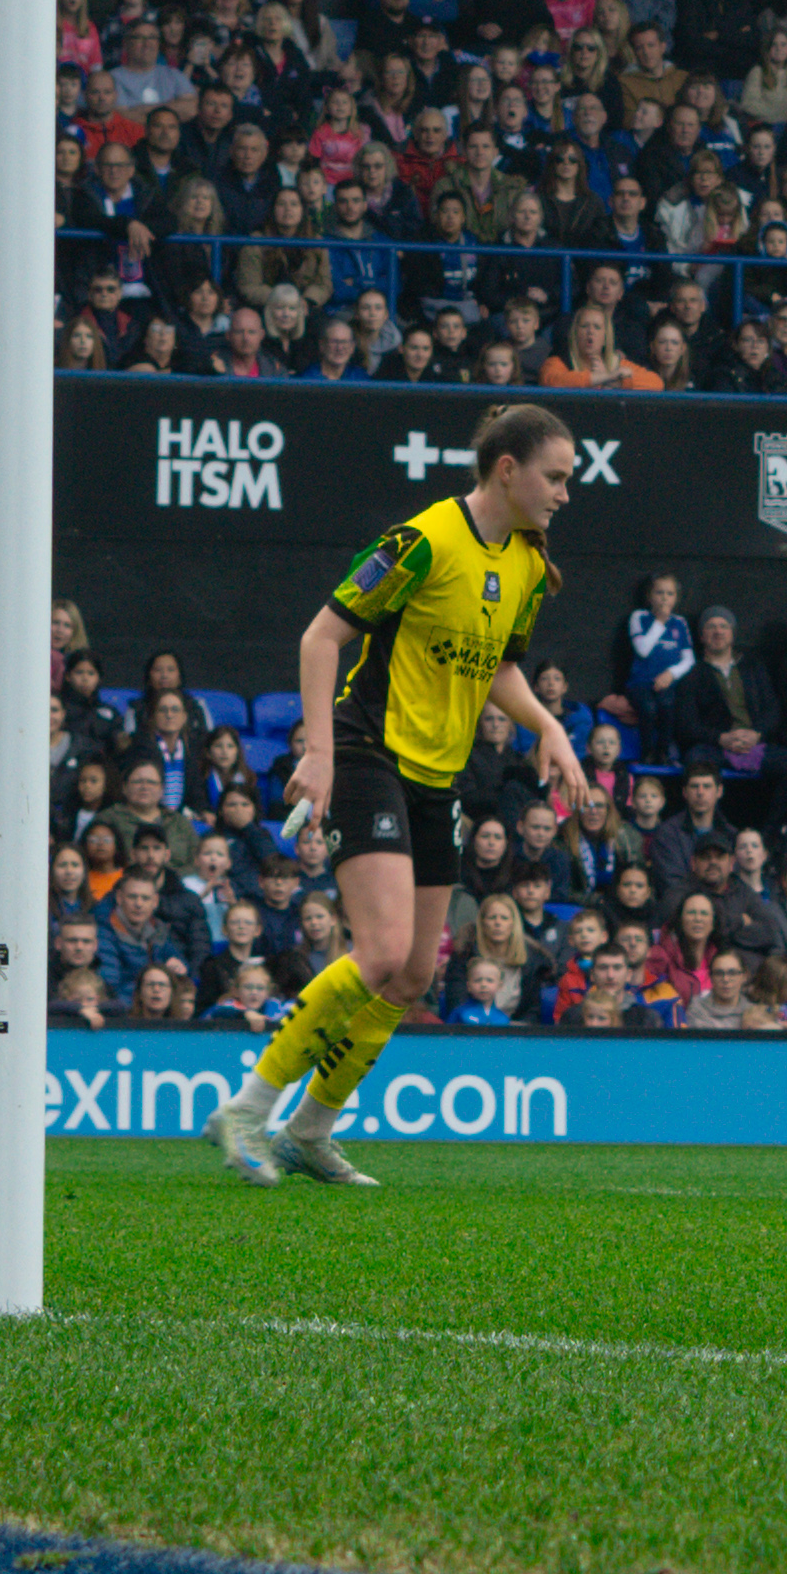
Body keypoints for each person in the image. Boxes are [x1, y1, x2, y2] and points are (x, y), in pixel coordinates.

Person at [219, 402, 600, 1189]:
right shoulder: (422, 541)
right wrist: (318, 754)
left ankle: (308, 1130)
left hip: (437, 776)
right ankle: (245, 1110)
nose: (566, 492)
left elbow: (498, 668)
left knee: (415, 975)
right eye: (556, 477)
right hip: (367, 753)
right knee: (382, 951)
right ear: (508, 469)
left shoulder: (527, 565)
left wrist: (548, 729)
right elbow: (320, 636)